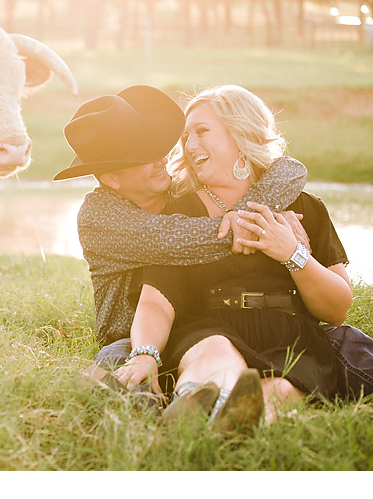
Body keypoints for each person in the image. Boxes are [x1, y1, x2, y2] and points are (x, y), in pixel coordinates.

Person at [113, 85, 353, 429]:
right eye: (186, 137)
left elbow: (337, 310)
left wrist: (292, 253)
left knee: (281, 388)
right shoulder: (180, 213)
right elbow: (156, 301)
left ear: (241, 132)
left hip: (291, 335)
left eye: (202, 131)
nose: (189, 145)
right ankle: (197, 406)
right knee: (215, 354)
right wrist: (145, 354)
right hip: (209, 328)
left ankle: (232, 420)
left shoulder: (305, 207)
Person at [53, 86, 308, 378]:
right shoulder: (99, 216)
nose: (162, 161)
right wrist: (253, 224)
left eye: (157, 151)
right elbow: (174, 239)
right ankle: (134, 397)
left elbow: (290, 169)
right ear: (112, 179)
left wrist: (259, 212)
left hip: (197, 326)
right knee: (124, 368)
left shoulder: (180, 190)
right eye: (143, 158)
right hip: (131, 334)